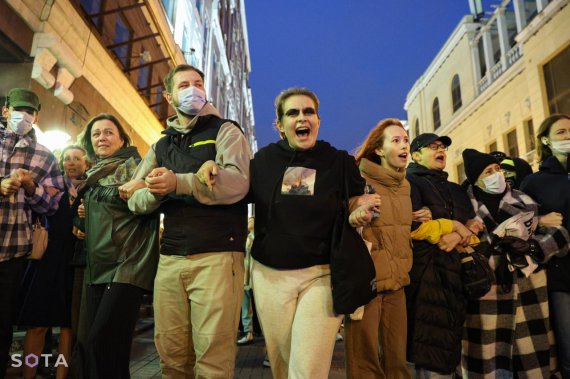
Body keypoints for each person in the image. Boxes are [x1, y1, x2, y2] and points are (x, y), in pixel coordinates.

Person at [126, 64, 251, 378]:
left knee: (213, 360)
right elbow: (135, 197)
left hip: (218, 256)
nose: (193, 89)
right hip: (171, 259)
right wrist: (155, 191)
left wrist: (178, 184)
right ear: (169, 95)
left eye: (198, 83)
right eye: (183, 85)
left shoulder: (225, 130)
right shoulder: (161, 144)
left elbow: (237, 184)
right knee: (172, 358)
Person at [248, 87, 381, 379]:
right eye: (292, 113)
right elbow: (232, 193)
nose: (301, 117)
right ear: (280, 125)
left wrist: (362, 209)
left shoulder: (339, 162)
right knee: (282, 367)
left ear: (318, 120)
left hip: (321, 274)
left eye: (308, 111)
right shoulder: (261, 162)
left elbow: (358, 199)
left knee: (307, 370)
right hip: (270, 276)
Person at [461, 148, 569, 378]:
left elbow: (561, 235)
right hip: (486, 300)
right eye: (488, 171)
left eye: (497, 169)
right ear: (476, 179)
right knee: (491, 368)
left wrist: (534, 248)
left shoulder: (523, 199)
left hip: (528, 296)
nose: (495, 174)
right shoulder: (464, 207)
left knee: (532, 368)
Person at [78, 113, 159, 379]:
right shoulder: (93, 174)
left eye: (108, 132)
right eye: (96, 134)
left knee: (101, 342)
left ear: (122, 138)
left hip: (127, 263)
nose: (102, 137)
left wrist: (144, 184)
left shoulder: (135, 166)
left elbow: (148, 202)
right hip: (97, 264)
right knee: (110, 348)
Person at [405, 133, 482, 378]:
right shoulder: (410, 183)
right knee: (432, 351)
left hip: (457, 277)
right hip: (428, 277)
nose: (441, 151)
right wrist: (453, 227)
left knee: (450, 350)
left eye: (443, 147)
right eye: (432, 147)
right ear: (415, 155)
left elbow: (473, 227)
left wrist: (460, 233)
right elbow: (412, 228)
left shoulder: (455, 189)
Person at [0, 88, 65, 377]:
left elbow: (51, 204)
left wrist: (31, 187)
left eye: (29, 111)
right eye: (18, 109)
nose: (22, 116)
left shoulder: (45, 156)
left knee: (3, 324)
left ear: (36, 116)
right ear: (5, 110)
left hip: (13, 252)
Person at [344, 118, 413, 378]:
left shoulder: (405, 185)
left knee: (397, 364)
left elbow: (398, 226)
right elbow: (345, 215)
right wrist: (356, 211)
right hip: (367, 286)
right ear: (380, 149)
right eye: (395, 140)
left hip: (397, 284)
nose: (403, 145)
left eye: (405, 140)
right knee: (364, 364)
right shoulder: (358, 177)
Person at [17, 145, 89, 379]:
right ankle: (28, 374)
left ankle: (61, 376)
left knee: (68, 326)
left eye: (77, 158)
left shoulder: (89, 191)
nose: (71, 162)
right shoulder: (49, 188)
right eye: (67, 158)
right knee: (37, 324)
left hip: (74, 262)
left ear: (86, 163)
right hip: (46, 262)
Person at [521, 114, 570, 379]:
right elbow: (519, 223)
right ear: (546, 140)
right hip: (560, 277)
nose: (568, 137)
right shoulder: (534, 182)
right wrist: (539, 221)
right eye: (561, 132)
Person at [238, 216, 255, 345]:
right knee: (245, 305)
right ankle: (248, 331)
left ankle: (248, 332)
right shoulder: (249, 237)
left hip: (252, 276)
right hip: (247, 276)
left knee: (247, 305)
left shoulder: (252, 237)